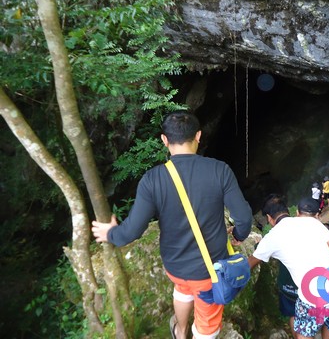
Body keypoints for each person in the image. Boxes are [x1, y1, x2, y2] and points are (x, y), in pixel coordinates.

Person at [91, 111, 253, 339]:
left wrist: (111, 234)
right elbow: (244, 217)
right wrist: (238, 235)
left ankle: (180, 330)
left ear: (164, 140)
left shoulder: (152, 180)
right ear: (198, 136)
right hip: (210, 270)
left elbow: (132, 231)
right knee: (207, 321)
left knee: (183, 290)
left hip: (175, 267)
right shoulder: (220, 171)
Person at [249, 196, 329, 339]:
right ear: (289, 212)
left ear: (269, 218)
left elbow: (250, 263)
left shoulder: (272, 237)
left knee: (303, 335)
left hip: (314, 295)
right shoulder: (313, 222)